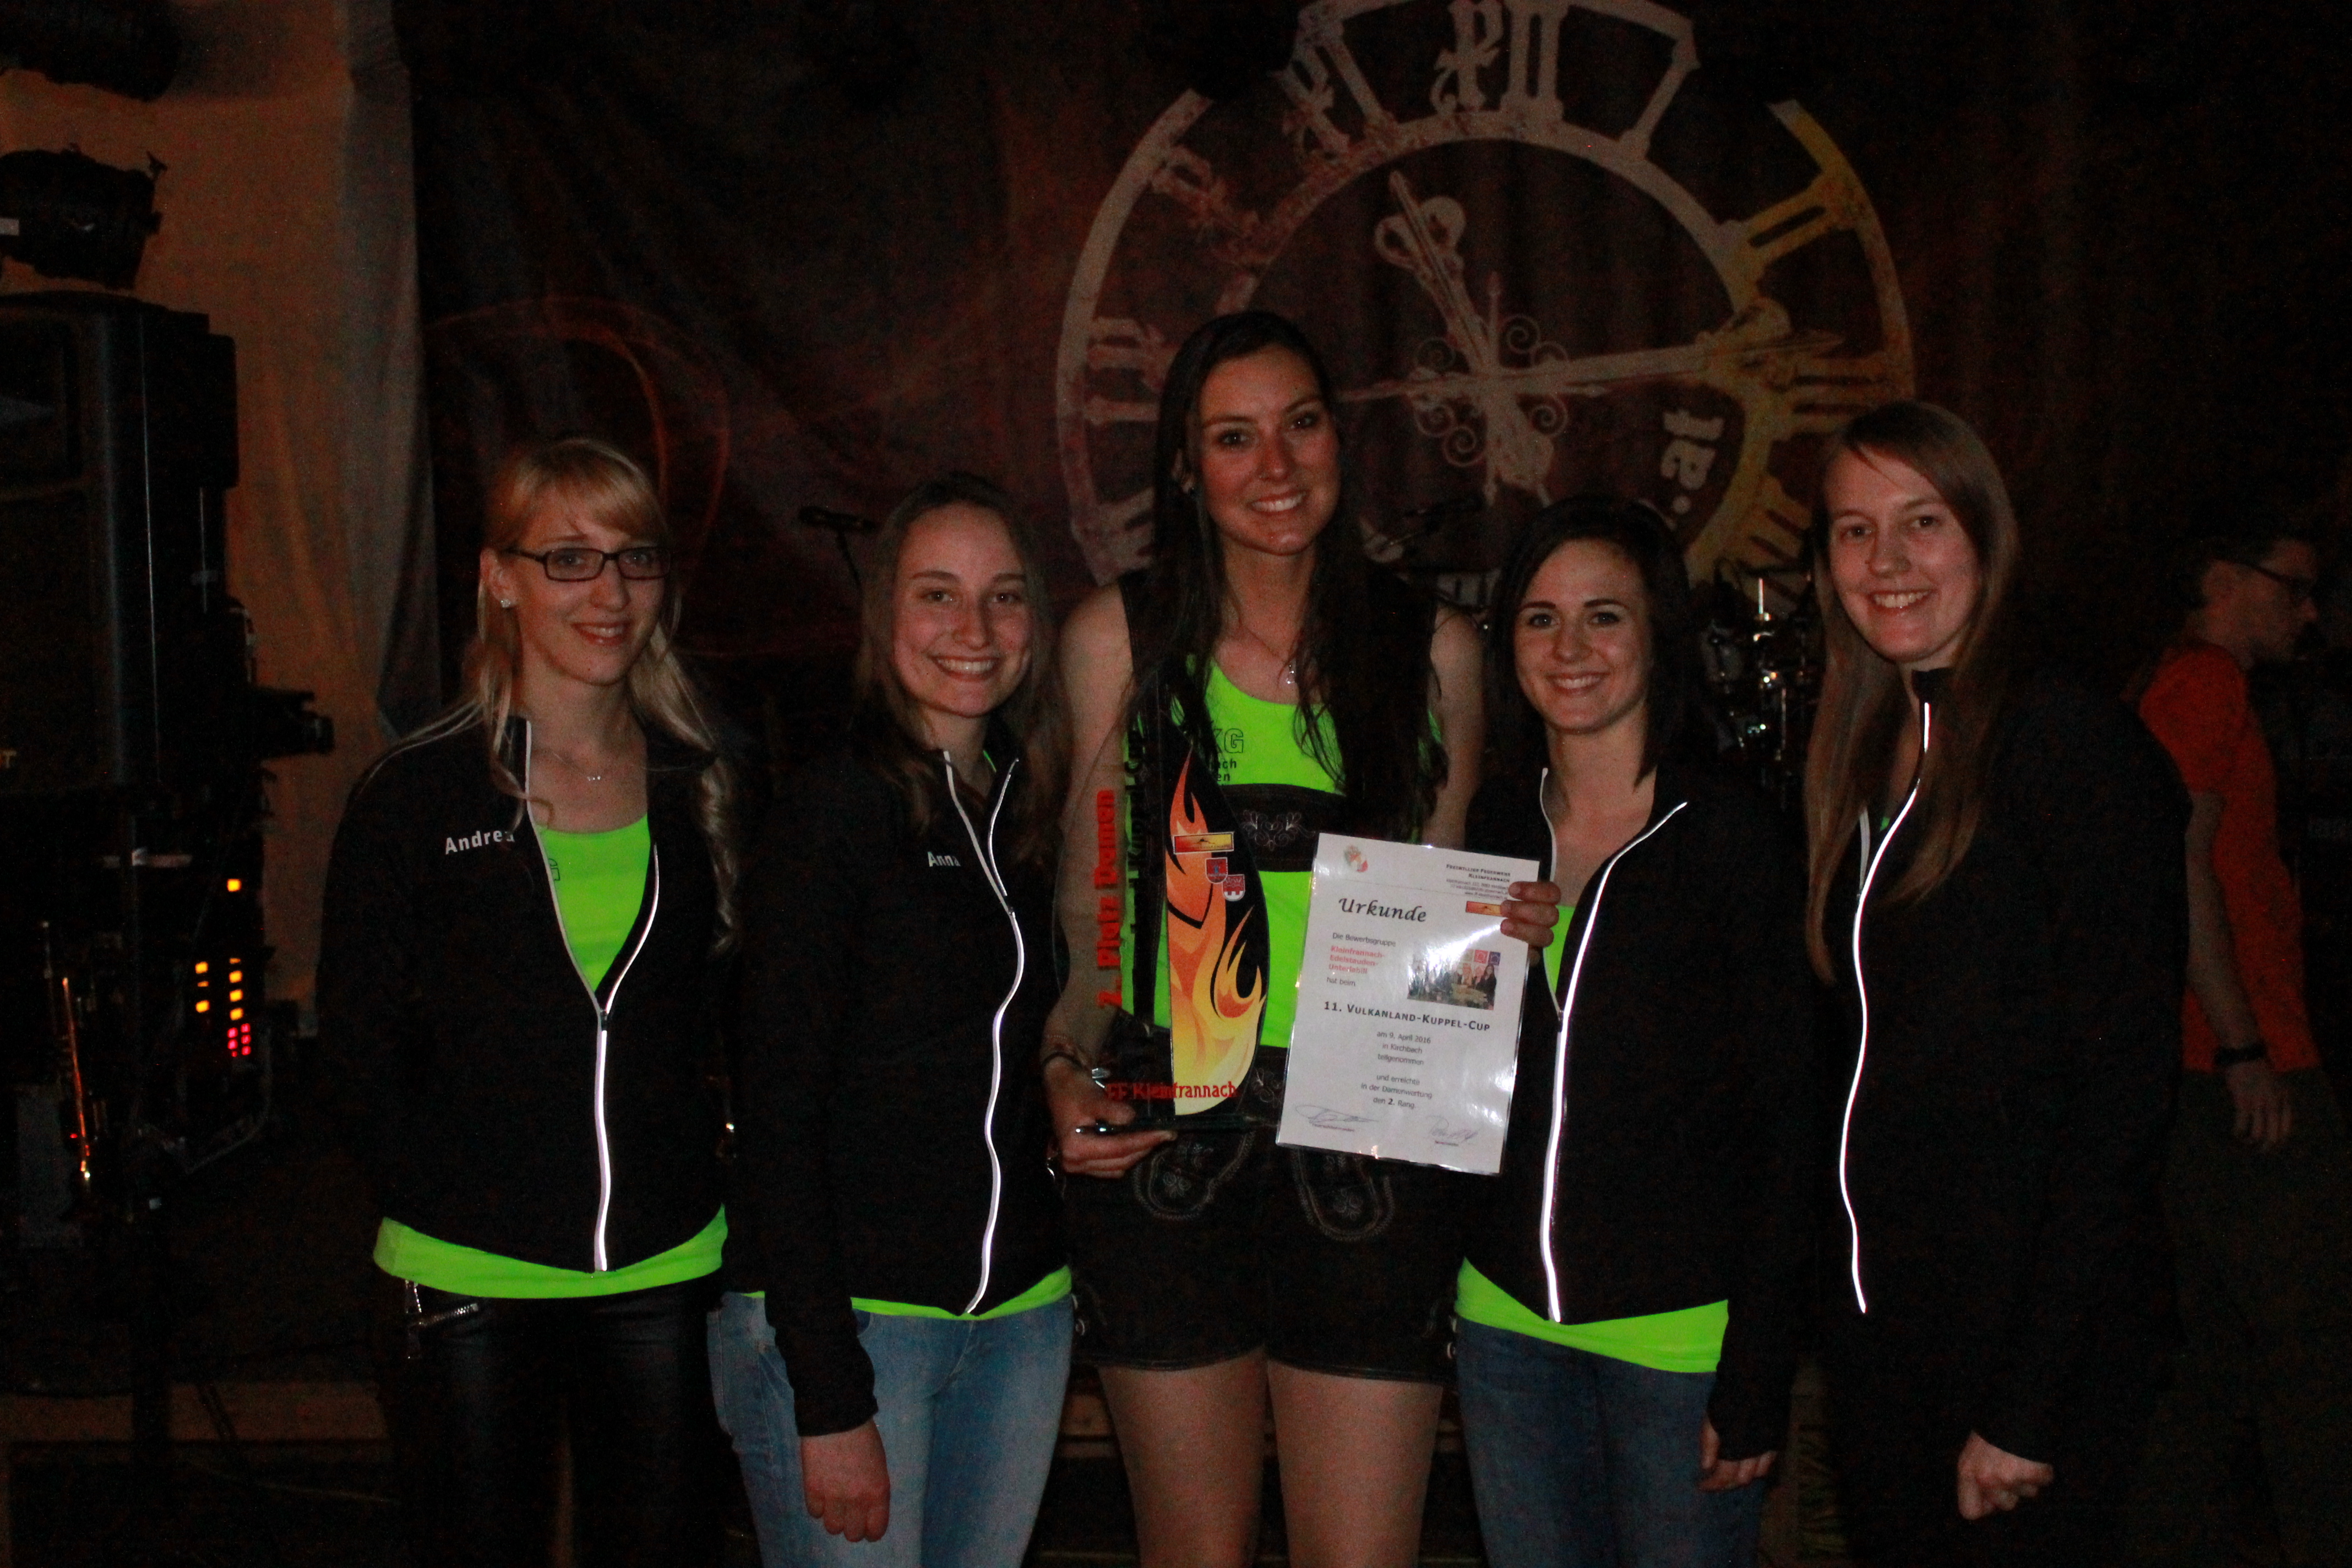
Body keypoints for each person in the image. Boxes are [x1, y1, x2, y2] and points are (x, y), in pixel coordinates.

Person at [1041, 309, 1558, 1568]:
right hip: (1169, 1138)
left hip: (1371, 1145)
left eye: (1302, 424)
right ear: (1185, 466)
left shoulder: (1433, 649)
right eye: (1234, 437)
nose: (1275, 465)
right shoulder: (1116, 638)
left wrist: (1506, 930)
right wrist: (1064, 1064)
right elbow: (1093, 903)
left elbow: (1441, 912)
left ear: (1339, 439)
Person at [319, 435, 737, 1567]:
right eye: (569, 558)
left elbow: (736, 1020)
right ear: (499, 578)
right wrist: (457, 1195)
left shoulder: (702, 779)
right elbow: (355, 1053)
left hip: (664, 1270)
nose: (610, 593)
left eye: (635, 557)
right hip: (467, 1281)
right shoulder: (415, 795)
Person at [1801, 401, 2186, 1564]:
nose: (1888, 560)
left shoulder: (2070, 746)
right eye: (1856, 530)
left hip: (2027, 1353)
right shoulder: (1864, 749)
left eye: (1922, 521)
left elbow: (2122, 1098)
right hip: (1891, 1340)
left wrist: (2029, 1398)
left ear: (1986, 533)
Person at [712, 475, 1072, 1568]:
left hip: (1019, 1320)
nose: (975, 629)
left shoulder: (1022, 811)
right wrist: (828, 1391)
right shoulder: (833, 809)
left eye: (1004, 596)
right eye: (938, 594)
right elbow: (776, 1110)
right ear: (885, 616)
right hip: (855, 1329)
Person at [1453, 496, 1815, 1568]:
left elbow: (1794, 1118)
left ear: (1659, 635)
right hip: (1504, 1325)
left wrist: (1759, 1369)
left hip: (1680, 1343)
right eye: (1541, 618)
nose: (1570, 648)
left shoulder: (1733, 837)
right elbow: (1439, 1067)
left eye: (1603, 616)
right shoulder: (1494, 826)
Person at [2126, 524, 2352, 1566]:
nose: (2306, 611)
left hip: (2209, 1065)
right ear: (2223, 577)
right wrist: (2242, 1047)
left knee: (2217, 1353)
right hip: (2238, 1064)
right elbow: (2178, 863)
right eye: (2293, 587)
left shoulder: (2184, 683)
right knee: (2311, 1347)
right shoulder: (2204, 682)